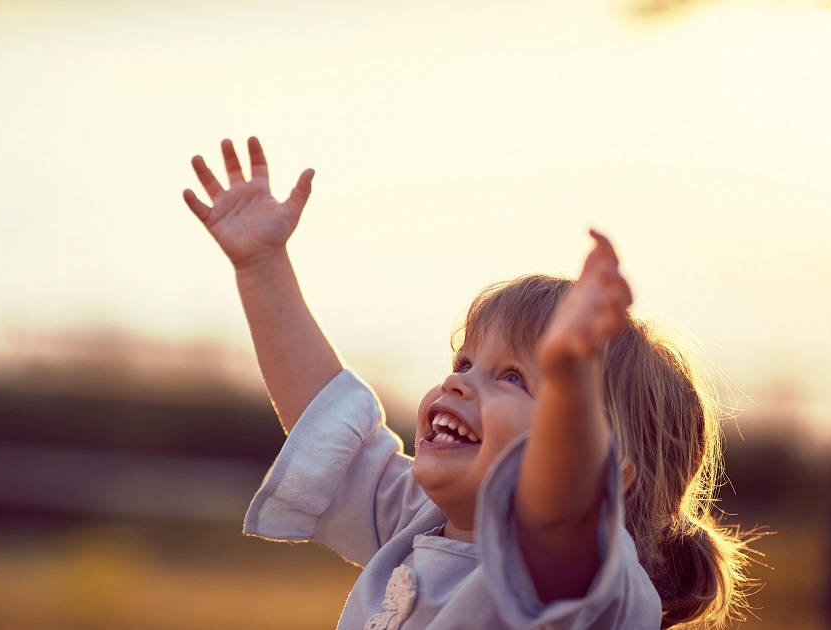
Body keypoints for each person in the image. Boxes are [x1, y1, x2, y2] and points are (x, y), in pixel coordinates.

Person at [182, 137, 753, 628]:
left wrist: (570, 376)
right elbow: (330, 422)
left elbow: (561, 508)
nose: (458, 385)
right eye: (464, 363)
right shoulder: (421, 521)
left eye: (514, 377)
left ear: (604, 478)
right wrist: (262, 269)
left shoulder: (583, 579)